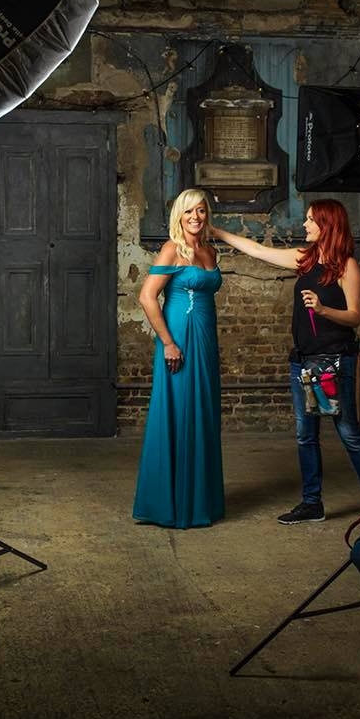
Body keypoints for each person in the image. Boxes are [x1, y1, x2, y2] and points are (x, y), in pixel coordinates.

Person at [211, 199, 360, 524]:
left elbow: (355, 316)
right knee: (305, 435)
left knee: (349, 433)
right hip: (303, 361)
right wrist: (217, 232)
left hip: (334, 361)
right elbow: (258, 251)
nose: (304, 225)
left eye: (311, 219)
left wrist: (323, 309)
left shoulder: (346, 267)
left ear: (327, 225)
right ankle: (312, 504)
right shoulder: (306, 258)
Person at [133, 189, 225, 529]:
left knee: (204, 411)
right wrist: (168, 343)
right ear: (179, 216)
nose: (195, 217)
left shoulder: (210, 250)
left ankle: (201, 500)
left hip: (205, 337)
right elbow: (147, 297)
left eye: (200, 211)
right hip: (179, 337)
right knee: (180, 410)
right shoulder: (173, 248)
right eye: (189, 212)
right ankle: (172, 504)